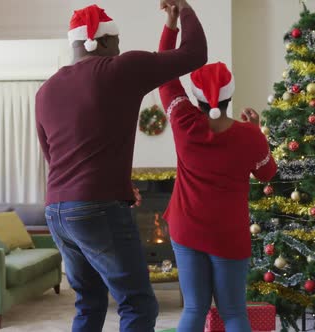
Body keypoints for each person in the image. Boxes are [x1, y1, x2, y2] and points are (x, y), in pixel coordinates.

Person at [34, 1, 207, 331]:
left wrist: (169, 25)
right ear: (102, 41)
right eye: (116, 40)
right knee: (138, 303)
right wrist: (183, 6)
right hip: (96, 208)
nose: (120, 47)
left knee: (90, 301)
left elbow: (53, 157)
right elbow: (195, 54)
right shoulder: (120, 69)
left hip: (57, 211)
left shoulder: (45, 91)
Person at [158, 7, 278, 332]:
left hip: (186, 230)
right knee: (234, 313)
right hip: (229, 235)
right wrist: (258, 128)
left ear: (196, 96)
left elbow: (165, 72)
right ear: (230, 95)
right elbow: (268, 174)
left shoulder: (183, 120)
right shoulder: (250, 136)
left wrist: (172, 23)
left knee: (194, 310)